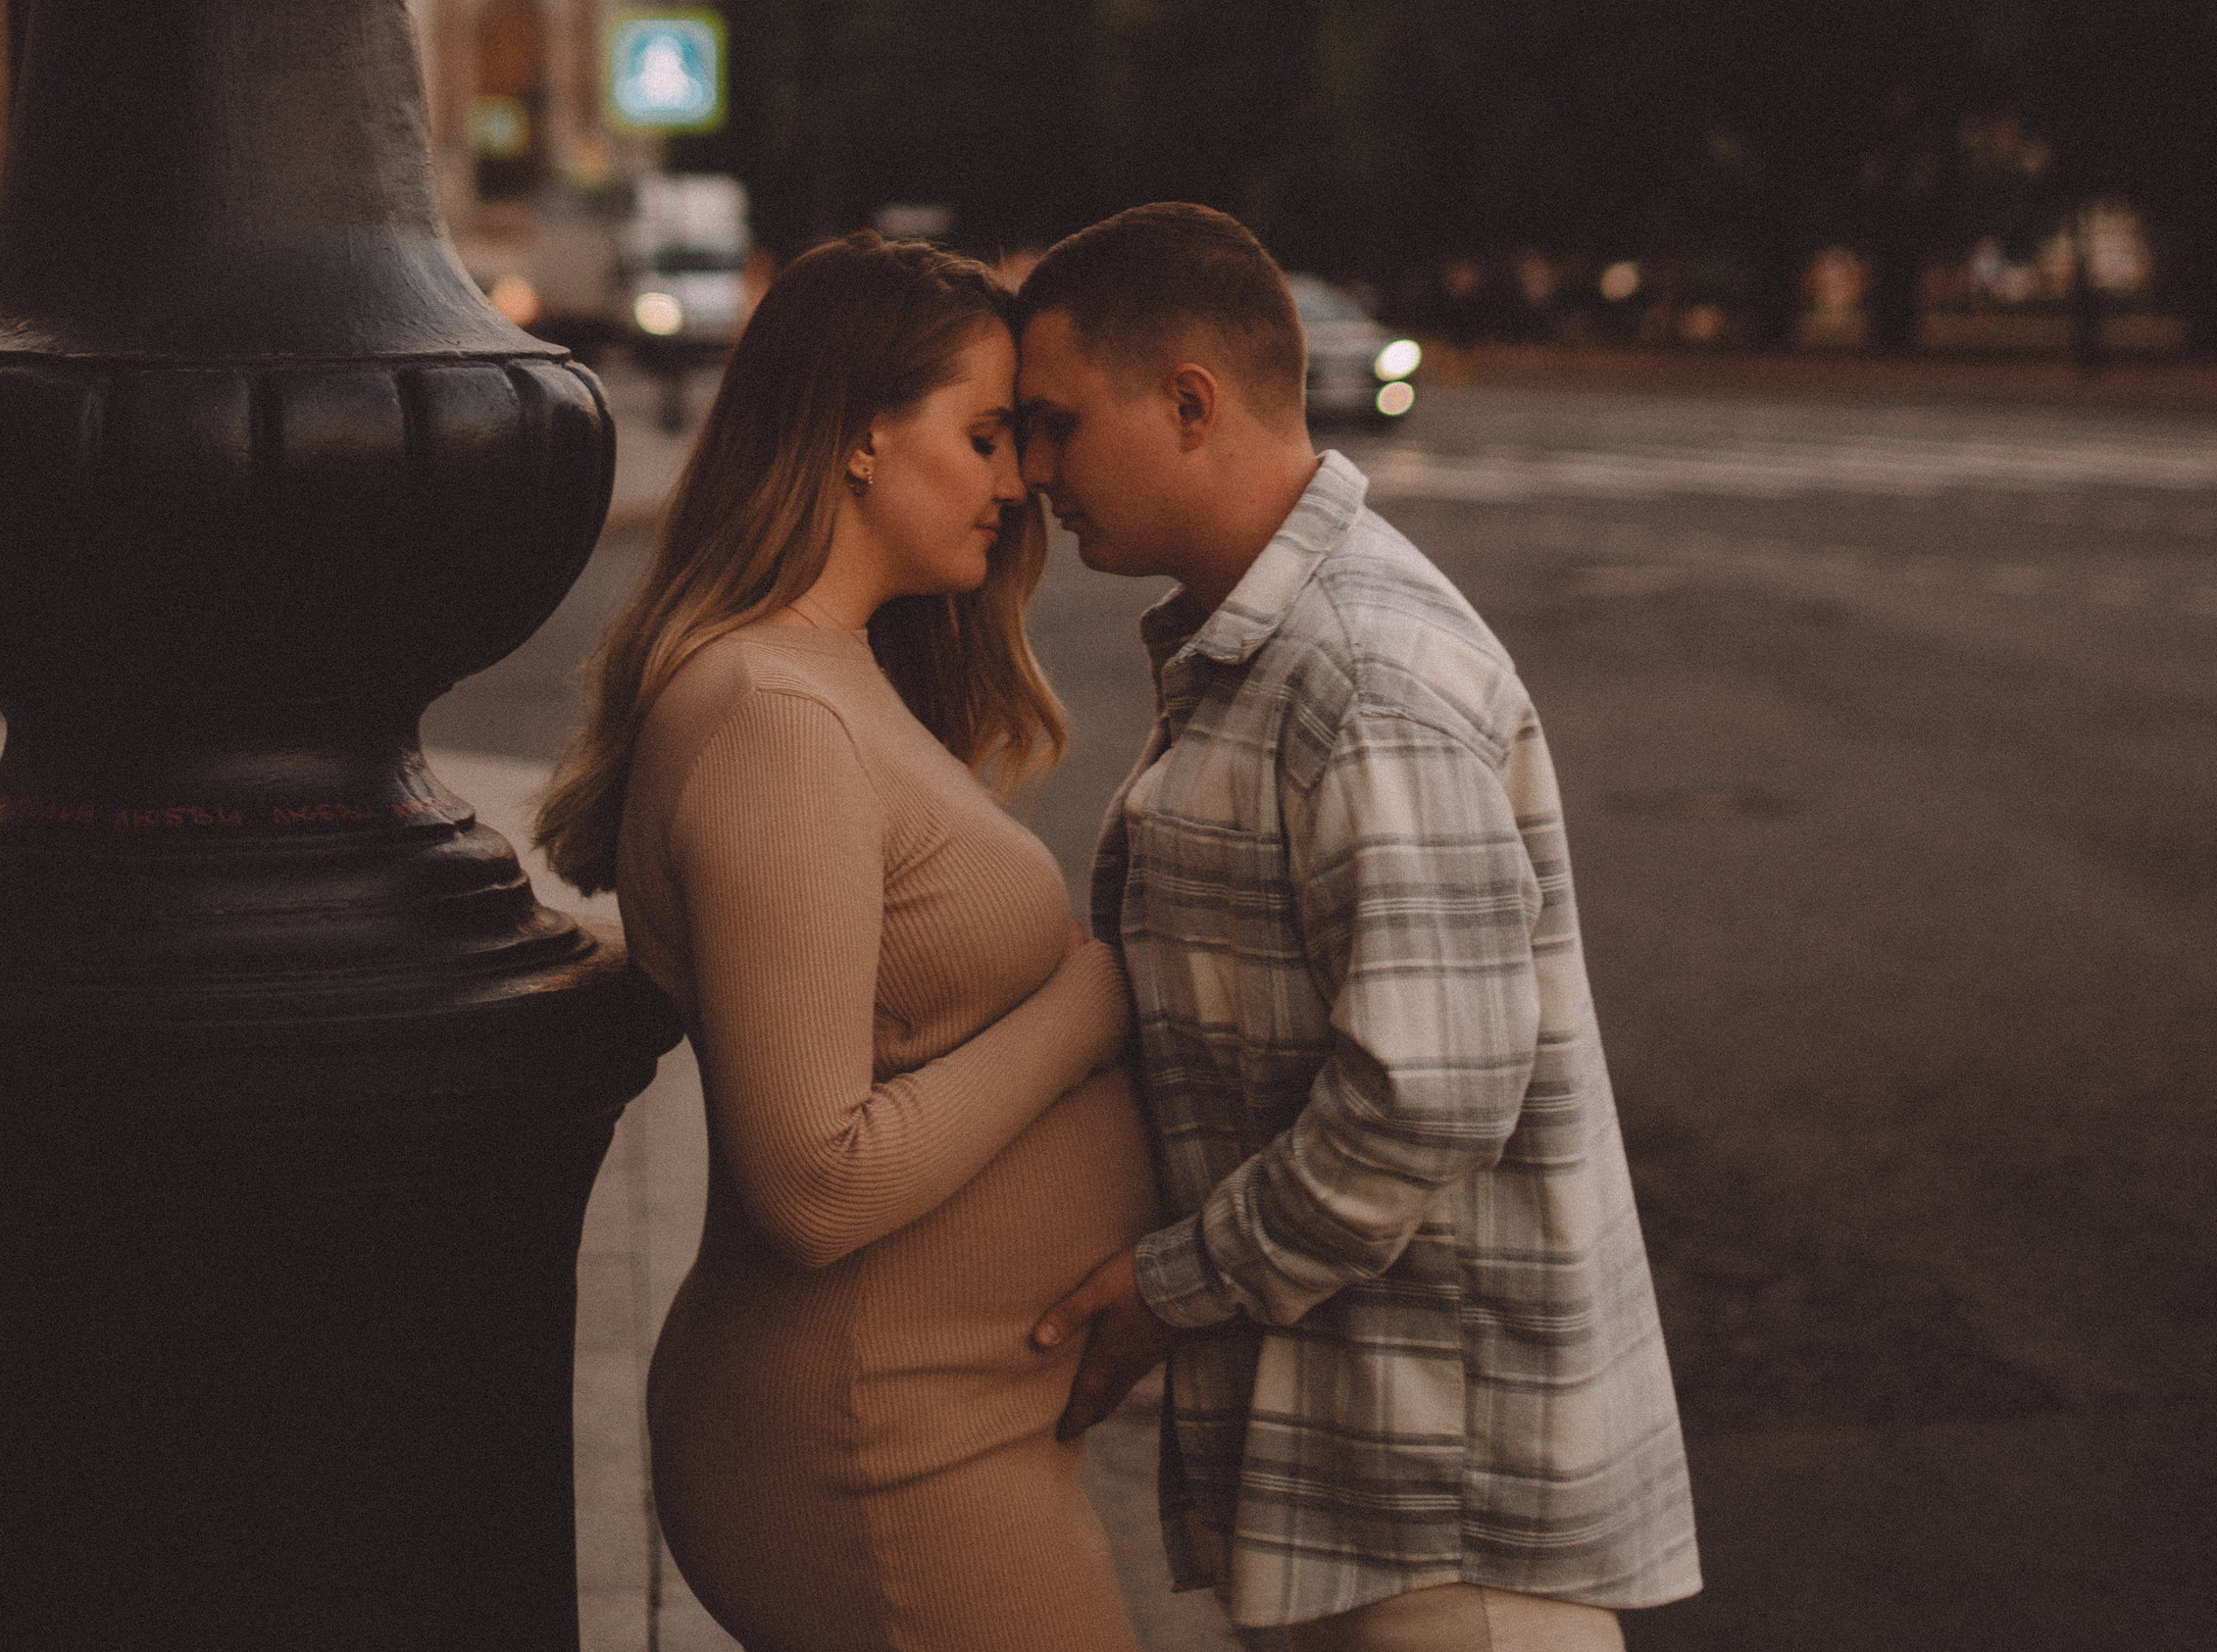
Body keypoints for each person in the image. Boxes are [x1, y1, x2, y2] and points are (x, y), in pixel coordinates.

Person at [1013, 205, 1699, 1652]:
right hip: (1366, 1484)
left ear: (1189, 402)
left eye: (1056, 424)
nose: (1032, 471)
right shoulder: (1265, 653)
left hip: (1448, 1517)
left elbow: (1420, 1106)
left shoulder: (1362, 676)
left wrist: (1166, 1290)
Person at [536, 234, 1154, 1652]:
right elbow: (813, 1182)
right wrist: (1089, 1000)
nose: (1020, 483)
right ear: (863, 434)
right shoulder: (773, 714)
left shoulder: (835, 672)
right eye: (987, 435)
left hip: (944, 1408)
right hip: (875, 1437)